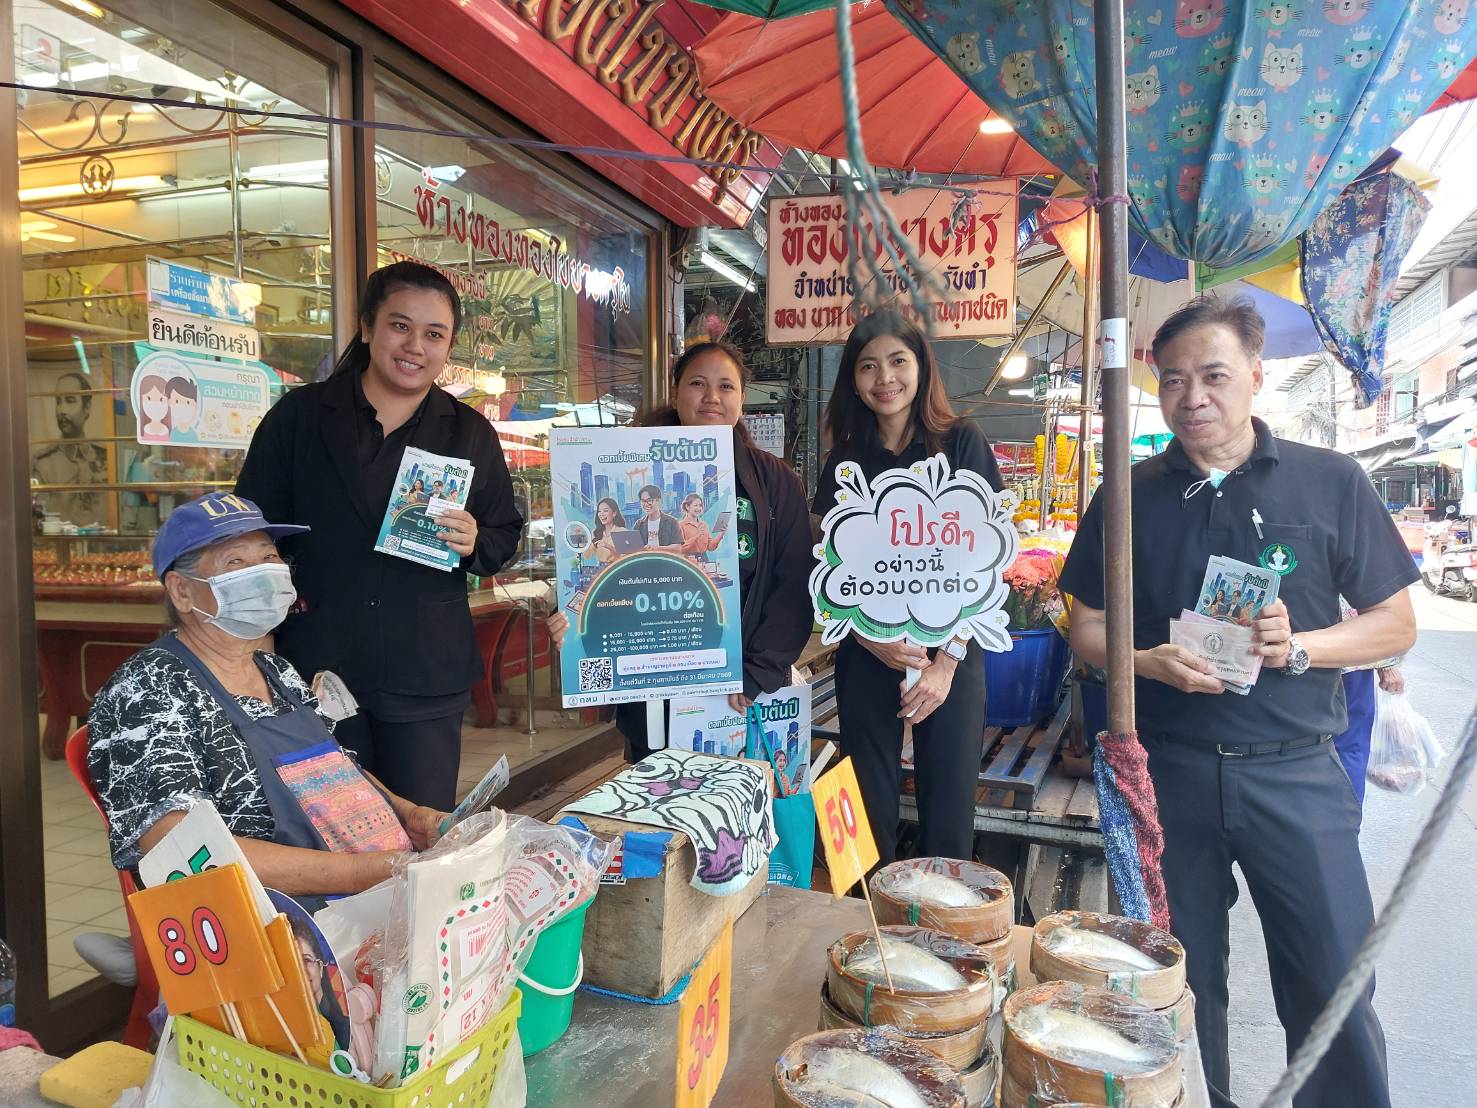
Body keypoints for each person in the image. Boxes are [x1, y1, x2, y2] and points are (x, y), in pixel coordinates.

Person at [1059, 296, 1416, 1108]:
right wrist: (1143, 663)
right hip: (1167, 775)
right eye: (1173, 380)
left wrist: (1301, 647)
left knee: (1332, 982)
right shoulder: (1126, 494)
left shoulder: (1330, 481)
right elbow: (1086, 627)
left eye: (1213, 376)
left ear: (1255, 376)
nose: (1192, 397)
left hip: (1296, 773)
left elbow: (1394, 624)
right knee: (1169, 984)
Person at [236, 261, 523, 809]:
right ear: (368, 327)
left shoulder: (470, 433)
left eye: (434, 334)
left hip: (424, 667)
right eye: (400, 326)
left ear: (448, 346)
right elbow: (253, 525)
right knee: (328, 826)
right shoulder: (300, 417)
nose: (415, 346)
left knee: (420, 827)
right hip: (316, 662)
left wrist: (474, 541)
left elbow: (503, 535)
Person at [87, 493, 448, 897]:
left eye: (269, 556)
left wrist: (407, 814)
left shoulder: (276, 671)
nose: (262, 572)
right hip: (276, 914)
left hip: (373, 884)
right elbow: (178, 845)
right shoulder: (148, 688)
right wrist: (359, 873)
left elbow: (339, 768)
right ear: (182, 591)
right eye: (235, 562)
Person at [550, 342, 815, 761]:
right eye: (697, 383)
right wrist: (573, 623)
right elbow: (611, 575)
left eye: (726, 386)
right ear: (675, 394)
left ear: (742, 398)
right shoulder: (622, 467)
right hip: (650, 690)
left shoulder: (775, 481)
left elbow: (794, 585)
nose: (712, 397)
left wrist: (757, 672)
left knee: (738, 796)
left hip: (736, 690)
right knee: (658, 792)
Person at [810, 311, 1004, 866]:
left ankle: (944, 914)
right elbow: (824, 560)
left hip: (950, 658)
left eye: (898, 361)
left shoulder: (961, 443)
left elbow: (988, 561)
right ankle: (866, 914)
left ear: (921, 368)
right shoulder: (846, 458)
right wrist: (868, 638)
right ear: (853, 380)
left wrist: (946, 666)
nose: (885, 378)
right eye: (868, 366)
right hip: (868, 654)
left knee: (950, 810)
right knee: (867, 801)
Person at [32, 370, 109, 526]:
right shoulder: (43, 464)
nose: (62, 410)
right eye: (58, 401)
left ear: (86, 407)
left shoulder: (106, 458)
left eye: (70, 400)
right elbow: (39, 519)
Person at [678, 492, 727, 561]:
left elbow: (710, 547)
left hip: (704, 559)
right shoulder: (681, 525)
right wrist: (697, 536)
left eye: (700, 505)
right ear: (687, 507)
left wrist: (720, 534)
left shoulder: (704, 525)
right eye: (695, 505)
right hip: (689, 560)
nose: (699, 508)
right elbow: (681, 548)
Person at [636, 483, 683, 550]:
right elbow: (634, 546)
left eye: (649, 500)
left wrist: (657, 548)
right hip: (645, 557)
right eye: (643, 501)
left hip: (664, 557)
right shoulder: (639, 524)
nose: (646, 504)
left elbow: (678, 548)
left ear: (658, 501)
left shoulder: (672, 522)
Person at [590, 496, 632, 563]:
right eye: (599, 511)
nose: (601, 514)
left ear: (614, 513)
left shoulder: (622, 531)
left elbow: (625, 558)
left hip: (616, 567)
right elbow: (587, 555)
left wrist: (609, 547)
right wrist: (580, 540)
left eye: (605, 511)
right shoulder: (595, 532)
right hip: (600, 568)